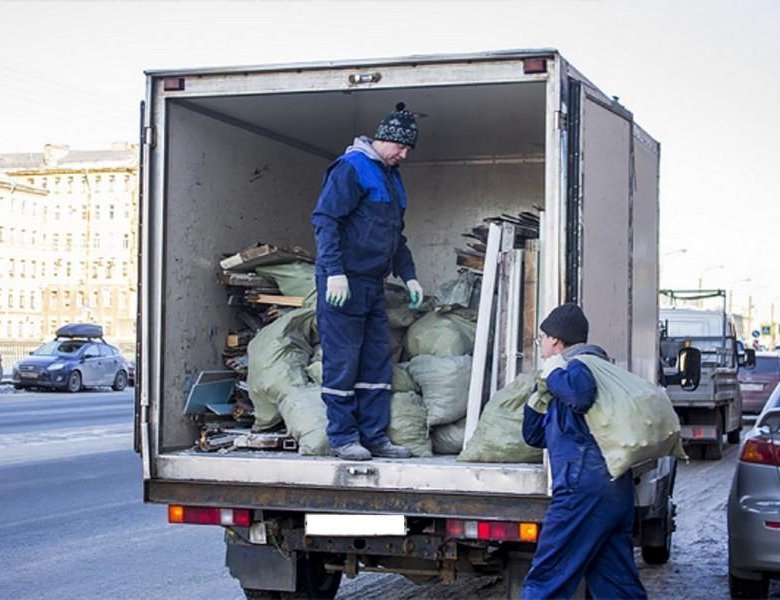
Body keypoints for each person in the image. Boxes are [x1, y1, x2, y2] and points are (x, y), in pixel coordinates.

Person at [311, 103, 424, 461]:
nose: (404, 155)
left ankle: (374, 436)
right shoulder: (351, 168)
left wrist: (410, 275)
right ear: (387, 139)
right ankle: (343, 437)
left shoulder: (392, 176)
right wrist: (335, 272)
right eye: (402, 147)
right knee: (343, 360)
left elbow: (396, 234)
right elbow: (326, 220)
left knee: (377, 360)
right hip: (344, 284)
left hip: (372, 284)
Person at [521, 303, 647, 600]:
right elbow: (535, 436)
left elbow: (579, 396)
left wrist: (553, 374)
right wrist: (537, 397)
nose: (540, 344)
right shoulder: (567, 375)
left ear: (556, 339)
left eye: (541, 338)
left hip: (582, 491)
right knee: (616, 583)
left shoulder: (582, 365)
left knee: (548, 577)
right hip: (614, 491)